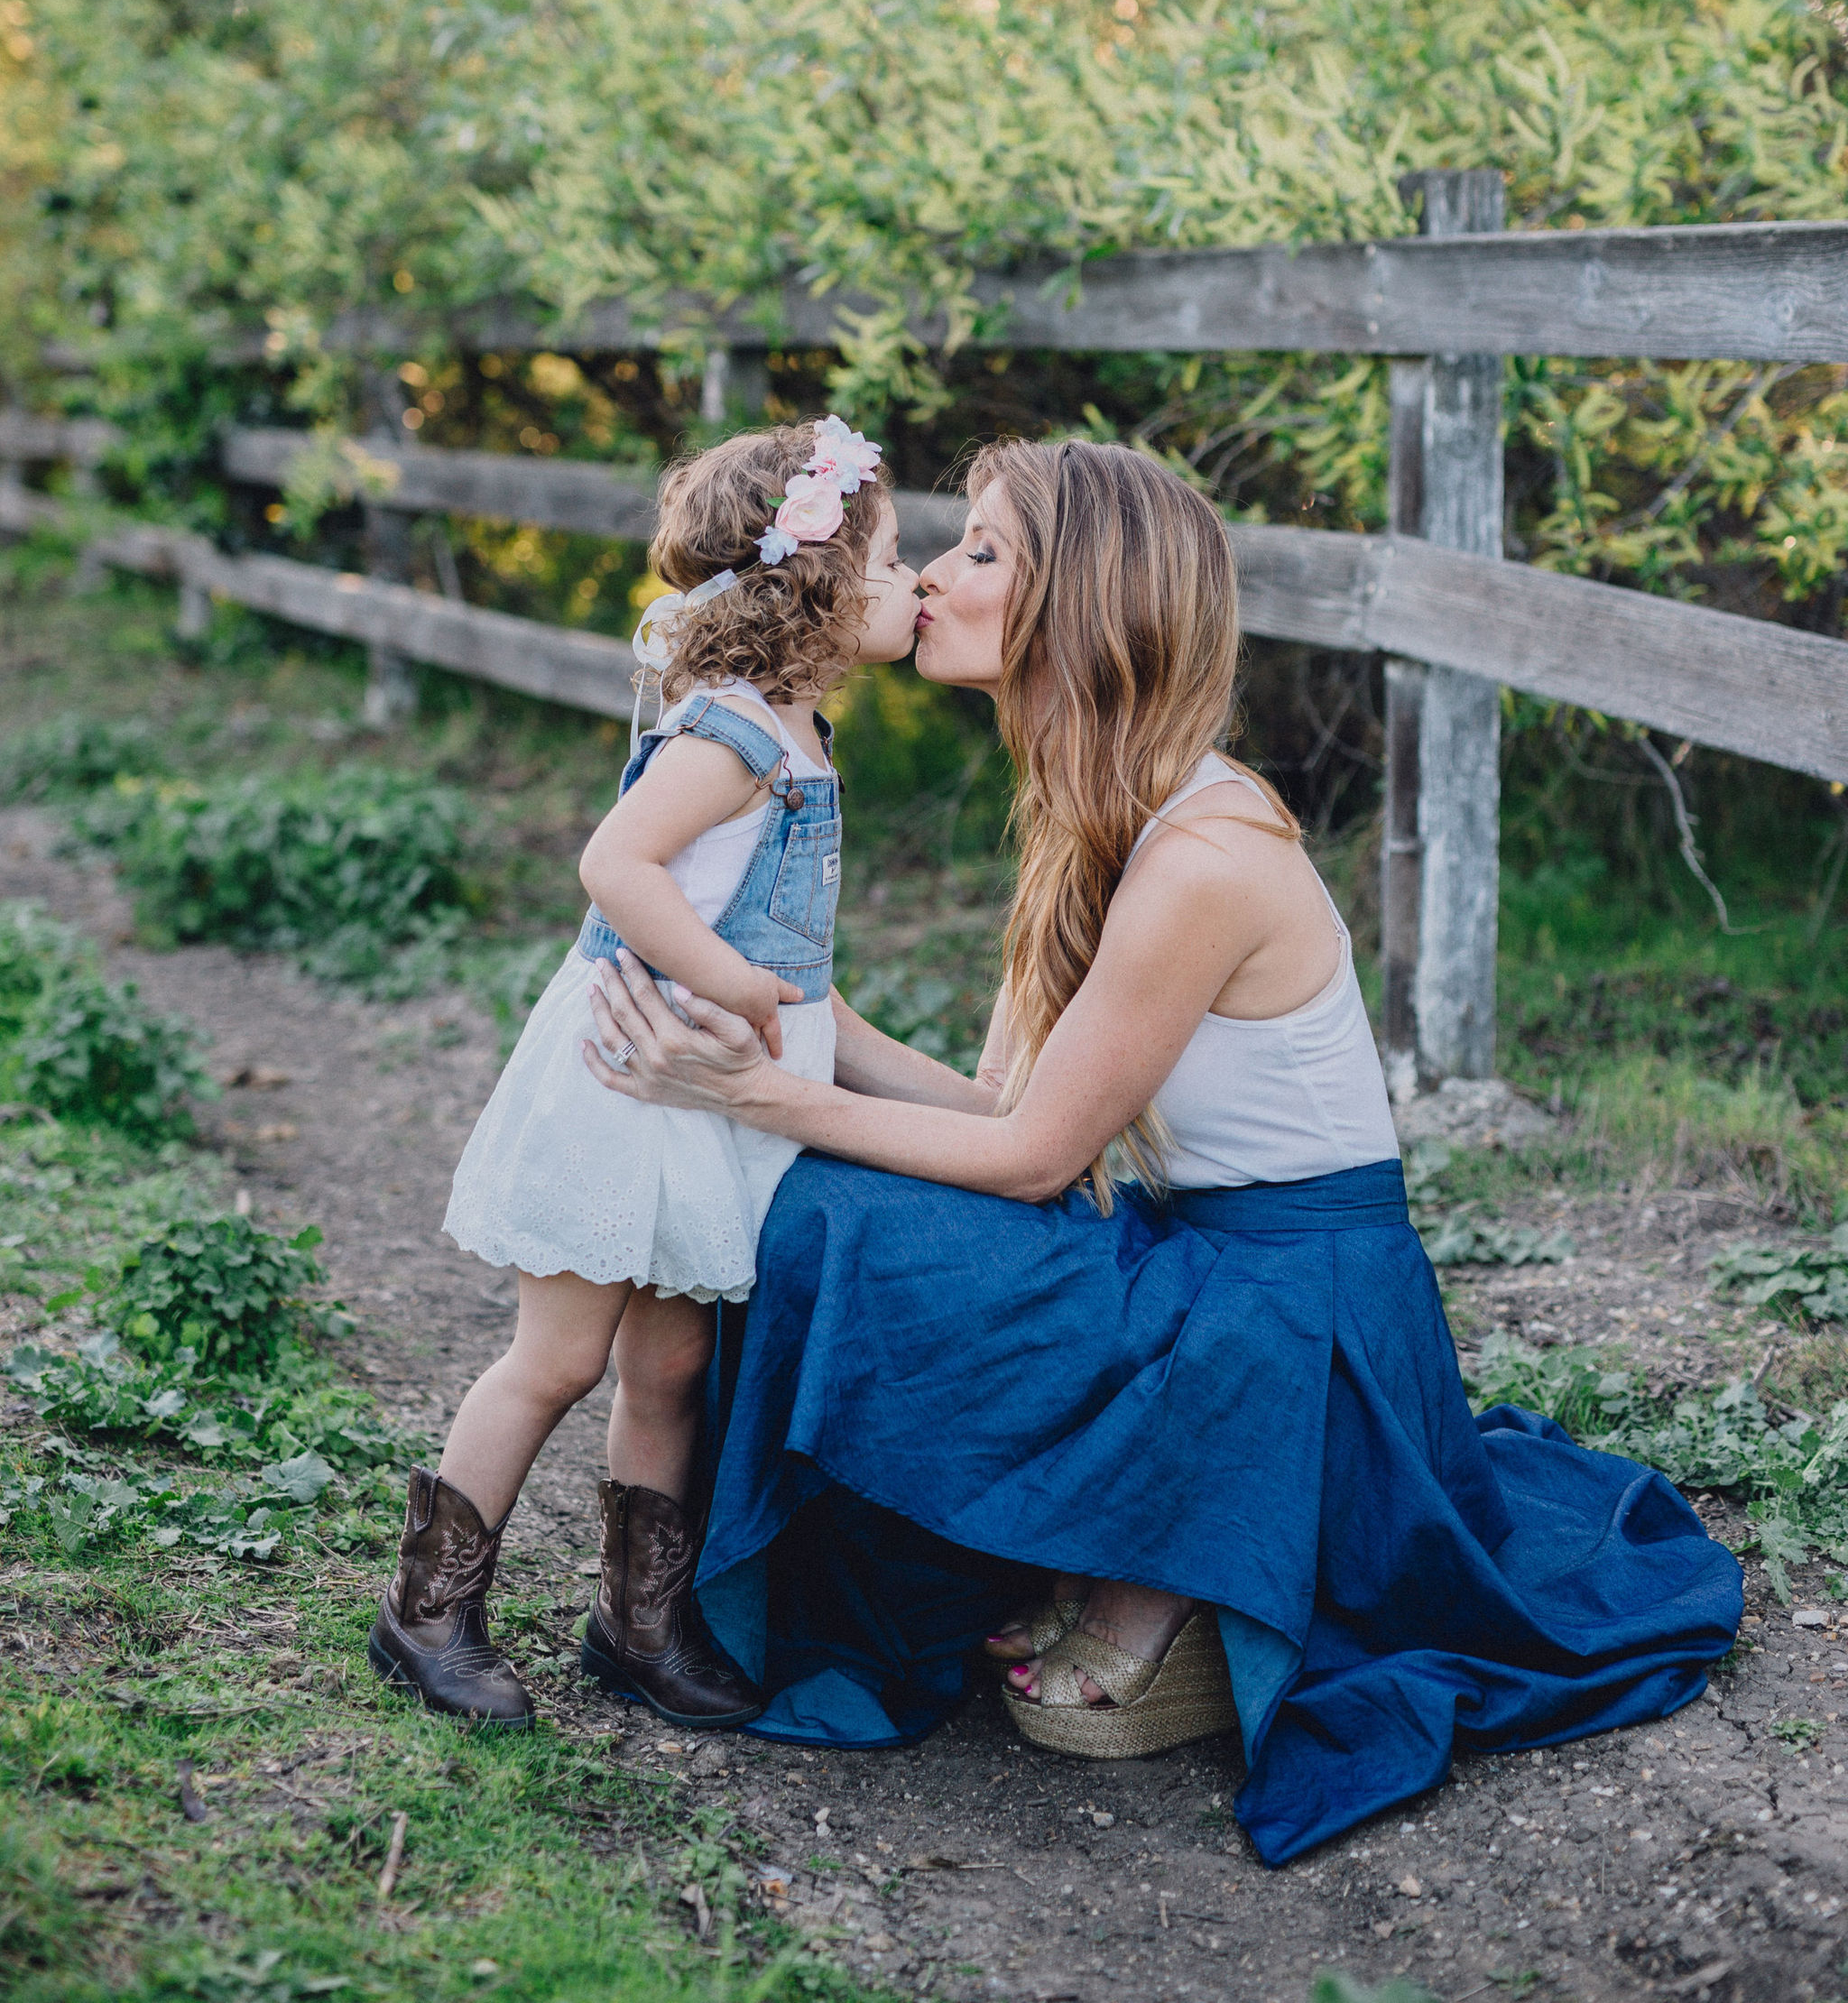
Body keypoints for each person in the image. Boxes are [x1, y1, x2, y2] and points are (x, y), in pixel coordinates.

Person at [583, 437, 1742, 1864]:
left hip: (1295, 1308)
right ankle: (1071, 1550)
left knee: (833, 1203)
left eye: (986, 552)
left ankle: (1157, 1560)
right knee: (833, 1205)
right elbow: (997, 1105)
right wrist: (791, 1026)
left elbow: (1029, 1163)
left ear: (1087, 601)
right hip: (1203, 1259)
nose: (935, 576)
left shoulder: (1202, 855)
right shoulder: (1089, 808)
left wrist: (757, 1099)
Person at [368, 417, 917, 1734]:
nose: (918, 581)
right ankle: (427, 1609)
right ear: (820, 579)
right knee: (555, 1359)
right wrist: (729, 986)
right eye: (896, 557)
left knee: (671, 1367)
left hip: (702, 1103)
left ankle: (638, 1620)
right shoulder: (725, 736)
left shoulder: (801, 732)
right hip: (630, 1079)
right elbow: (616, 866)